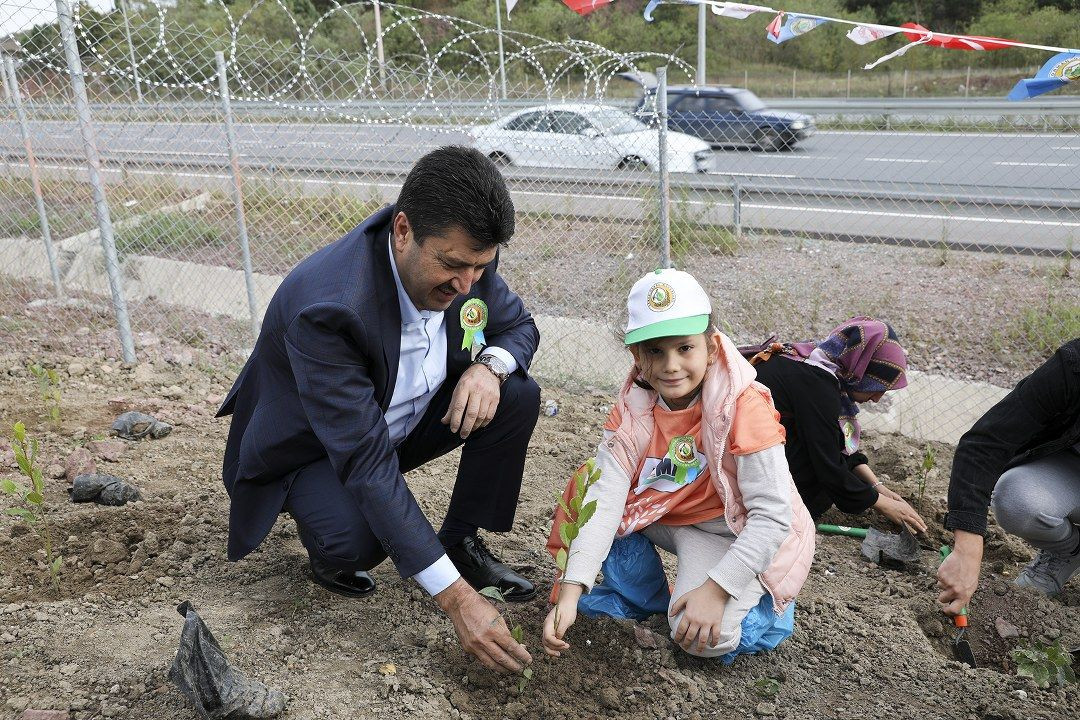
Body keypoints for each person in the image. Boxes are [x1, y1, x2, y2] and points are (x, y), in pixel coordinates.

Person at [217, 146, 540, 673]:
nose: (465, 285)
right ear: (403, 230)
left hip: (402, 420)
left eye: (479, 268)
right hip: (318, 448)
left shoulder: (470, 258)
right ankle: (324, 538)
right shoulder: (328, 307)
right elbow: (364, 460)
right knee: (357, 542)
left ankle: (458, 540)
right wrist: (457, 600)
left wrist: (489, 368)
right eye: (453, 266)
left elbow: (518, 327)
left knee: (517, 393)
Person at [541, 269, 815, 659]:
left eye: (684, 348)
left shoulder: (743, 406)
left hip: (732, 532)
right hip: (671, 520)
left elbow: (773, 517)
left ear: (713, 348)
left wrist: (718, 588)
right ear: (636, 356)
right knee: (586, 493)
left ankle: (765, 609)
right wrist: (570, 591)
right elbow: (604, 499)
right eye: (655, 351)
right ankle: (645, 600)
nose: (670, 365)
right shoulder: (634, 408)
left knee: (703, 642)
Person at [938, 338, 1080, 612]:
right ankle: (1069, 550)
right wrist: (968, 549)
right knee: (1018, 500)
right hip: (1070, 470)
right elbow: (984, 444)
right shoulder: (1074, 366)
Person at [746, 318, 927, 533]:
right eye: (877, 387)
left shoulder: (818, 362)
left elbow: (834, 441)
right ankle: (789, 515)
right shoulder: (817, 384)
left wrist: (877, 486)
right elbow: (827, 462)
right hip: (739, 457)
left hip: (749, 442)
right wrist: (881, 504)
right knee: (816, 476)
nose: (877, 398)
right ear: (861, 371)